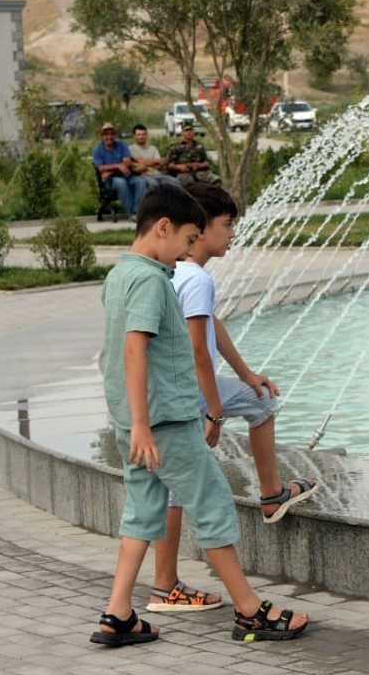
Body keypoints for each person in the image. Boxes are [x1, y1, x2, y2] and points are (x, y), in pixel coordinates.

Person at [91, 183, 309, 647]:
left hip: (135, 424)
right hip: (164, 424)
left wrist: (134, 423)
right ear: (164, 228)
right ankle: (251, 612)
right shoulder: (151, 280)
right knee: (212, 506)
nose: (188, 253)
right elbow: (134, 348)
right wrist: (148, 423)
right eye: (188, 240)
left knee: (142, 512)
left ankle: (118, 613)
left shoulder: (121, 274)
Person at [146, 180, 317, 613]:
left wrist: (245, 373)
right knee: (261, 405)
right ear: (199, 229)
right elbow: (199, 349)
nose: (233, 234)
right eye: (227, 225)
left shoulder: (170, 272)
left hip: (163, 391)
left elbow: (211, 327)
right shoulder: (197, 278)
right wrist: (216, 412)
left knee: (173, 489)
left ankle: (164, 585)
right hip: (190, 391)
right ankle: (271, 492)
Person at [92, 123, 147, 220]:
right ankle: (131, 214)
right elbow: (100, 168)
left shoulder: (122, 145)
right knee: (121, 183)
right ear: (102, 136)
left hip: (125, 175)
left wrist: (110, 170)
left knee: (141, 181)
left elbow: (127, 161)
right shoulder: (97, 150)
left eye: (111, 134)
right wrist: (118, 166)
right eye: (106, 134)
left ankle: (136, 212)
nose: (109, 137)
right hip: (109, 180)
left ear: (114, 135)